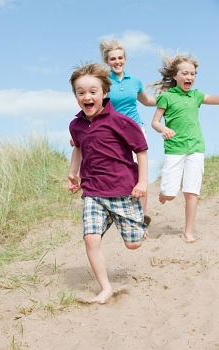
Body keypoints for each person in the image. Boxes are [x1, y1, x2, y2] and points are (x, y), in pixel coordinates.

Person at [68, 63, 148, 304]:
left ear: (104, 93)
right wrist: (73, 173)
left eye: (93, 91)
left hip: (122, 188)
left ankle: (138, 225)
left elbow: (141, 150)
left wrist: (143, 181)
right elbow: (78, 148)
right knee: (91, 238)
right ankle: (105, 288)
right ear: (76, 96)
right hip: (93, 190)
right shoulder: (76, 125)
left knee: (133, 244)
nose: (87, 96)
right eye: (80, 92)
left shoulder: (120, 121)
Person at [151, 53, 219, 243]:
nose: (189, 77)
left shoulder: (196, 95)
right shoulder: (167, 96)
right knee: (171, 194)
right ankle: (164, 194)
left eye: (193, 74)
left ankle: (188, 231)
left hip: (196, 147)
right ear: (175, 76)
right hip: (174, 149)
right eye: (185, 73)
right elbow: (155, 122)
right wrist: (163, 129)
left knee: (191, 191)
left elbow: (215, 99)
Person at [99, 39, 156, 226]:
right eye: (113, 59)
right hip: (113, 132)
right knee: (120, 172)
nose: (117, 61)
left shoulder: (135, 81)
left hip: (136, 129)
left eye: (120, 58)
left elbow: (146, 101)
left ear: (125, 59)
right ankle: (119, 213)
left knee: (140, 171)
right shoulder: (103, 81)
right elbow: (96, 106)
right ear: (107, 61)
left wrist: (169, 98)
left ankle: (141, 217)